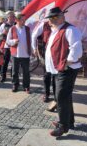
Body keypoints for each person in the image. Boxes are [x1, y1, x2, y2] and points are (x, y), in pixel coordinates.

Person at [44, 7, 83, 137]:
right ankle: (69, 121)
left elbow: (76, 48)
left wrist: (68, 61)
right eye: (50, 18)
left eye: (53, 17)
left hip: (67, 69)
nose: (51, 20)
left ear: (61, 17)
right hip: (58, 69)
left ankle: (63, 126)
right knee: (66, 96)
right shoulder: (56, 30)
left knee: (60, 97)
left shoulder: (70, 30)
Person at [32, 17, 57, 105]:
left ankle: (56, 96)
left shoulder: (60, 26)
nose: (51, 20)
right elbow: (34, 35)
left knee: (55, 75)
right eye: (50, 18)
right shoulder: (44, 25)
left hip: (56, 55)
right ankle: (46, 94)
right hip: (45, 53)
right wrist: (34, 48)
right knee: (47, 74)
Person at [6, 13, 32, 94]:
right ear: (17, 20)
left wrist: (32, 50)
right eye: (22, 20)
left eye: (25, 19)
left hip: (25, 54)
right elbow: (7, 41)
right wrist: (14, 41)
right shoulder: (12, 29)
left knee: (26, 72)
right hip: (15, 54)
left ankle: (26, 86)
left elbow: (30, 40)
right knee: (14, 71)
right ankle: (15, 85)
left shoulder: (28, 29)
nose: (24, 21)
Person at [0, 11, 16, 82]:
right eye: (12, 17)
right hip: (7, 45)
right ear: (8, 17)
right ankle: (3, 76)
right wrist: (3, 33)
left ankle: (13, 77)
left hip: (14, 45)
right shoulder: (4, 25)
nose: (13, 18)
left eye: (14, 17)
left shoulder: (16, 24)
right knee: (5, 62)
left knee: (14, 62)